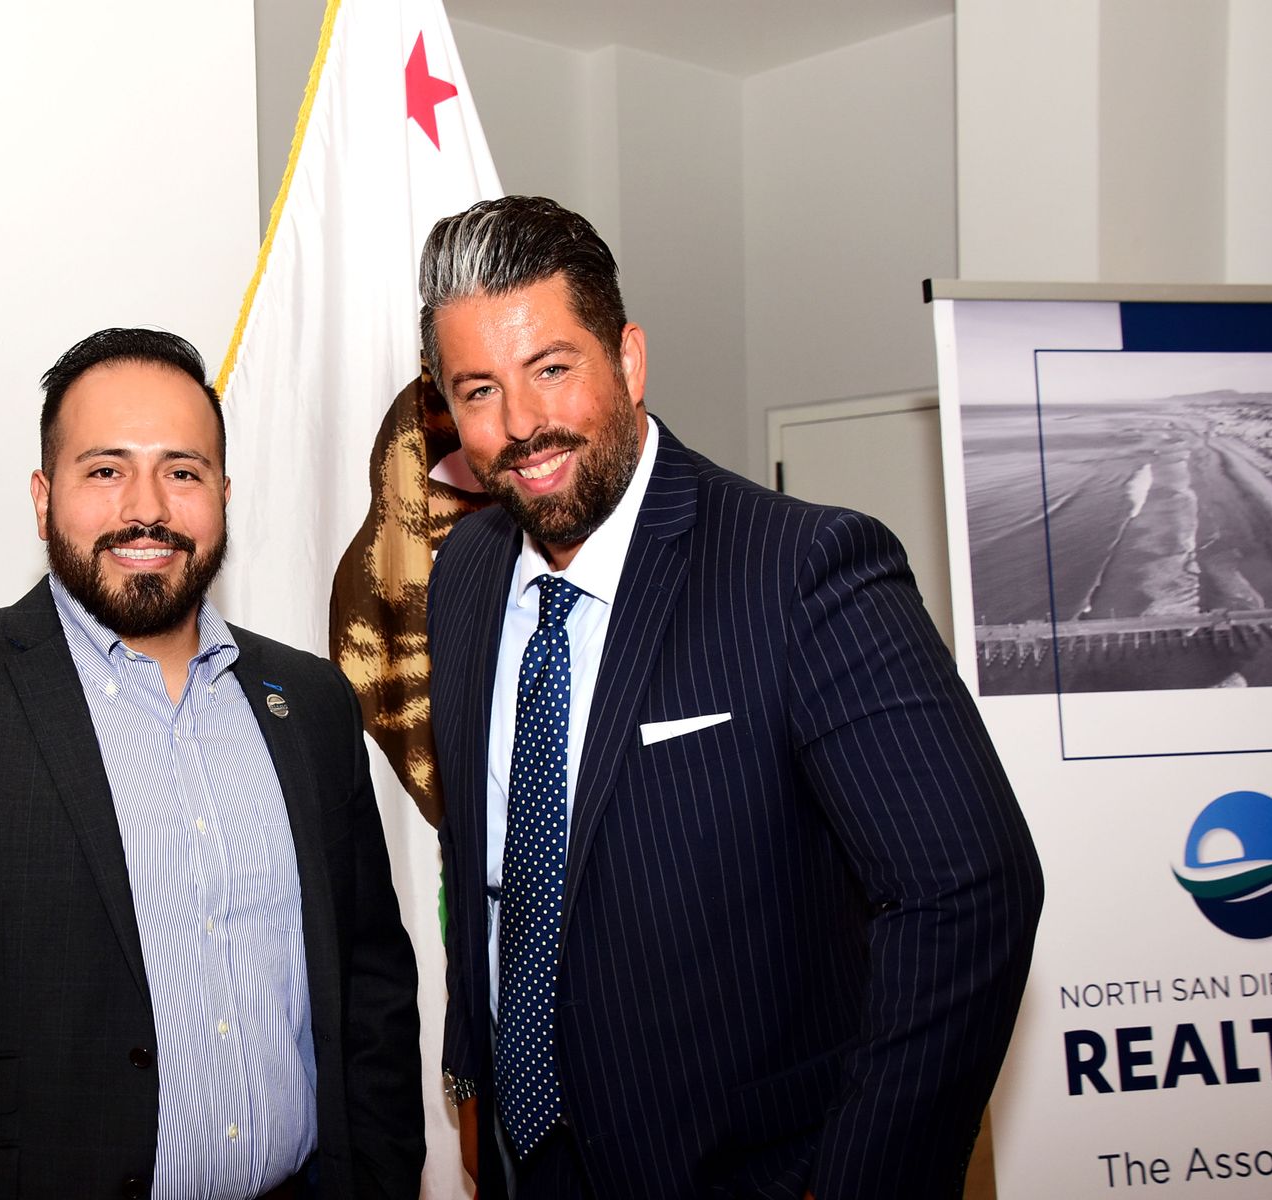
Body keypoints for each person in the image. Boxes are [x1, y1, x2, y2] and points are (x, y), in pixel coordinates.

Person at [419, 197, 1043, 1200]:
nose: (521, 424)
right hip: (526, 1160)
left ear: (628, 361)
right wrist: (474, 1076)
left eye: (552, 369)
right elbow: (486, 858)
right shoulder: (465, 573)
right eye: (479, 389)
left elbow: (969, 894)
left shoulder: (803, 569)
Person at [0, 329, 424, 1200]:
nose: (147, 507)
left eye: (182, 471)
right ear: (43, 496)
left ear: (223, 496)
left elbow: (371, 987)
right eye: (105, 470)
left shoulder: (310, 704)